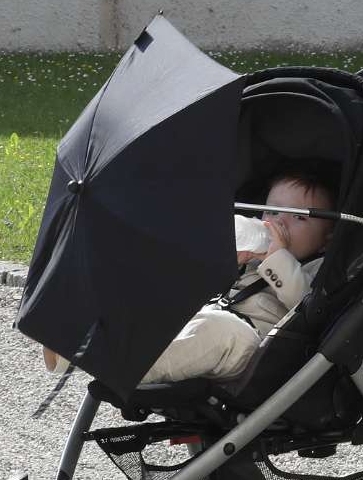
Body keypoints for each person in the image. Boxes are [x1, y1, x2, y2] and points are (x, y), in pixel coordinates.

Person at [41, 163, 338, 386]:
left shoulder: (316, 268)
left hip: (255, 346)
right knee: (160, 305)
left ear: (327, 239)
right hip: (208, 318)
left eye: (299, 217)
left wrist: (277, 258)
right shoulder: (252, 255)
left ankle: (105, 360)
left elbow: (309, 304)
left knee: (218, 330)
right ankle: (74, 339)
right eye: (271, 212)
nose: (279, 223)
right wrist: (228, 262)